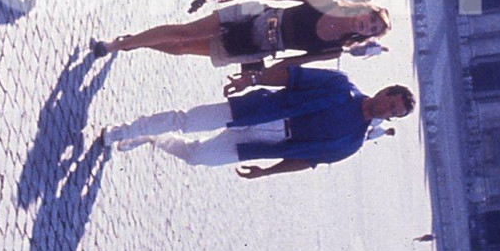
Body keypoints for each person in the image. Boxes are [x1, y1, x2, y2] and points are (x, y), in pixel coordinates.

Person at [100, 68, 416, 175]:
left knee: (198, 157)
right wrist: (251, 79)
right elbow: (292, 75)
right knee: (186, 120)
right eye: (391, 101)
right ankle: (122, 131)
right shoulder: (340, 84)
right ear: (385, 90)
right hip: (258, 110)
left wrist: (266, 171)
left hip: (262, 144)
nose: (386, 110)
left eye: (393, 113)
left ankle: (153, 139)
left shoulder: (353, 143)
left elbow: (306, 161)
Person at [91, 0, 390, 68]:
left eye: (371, 30)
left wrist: (255, 77)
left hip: (258, 46)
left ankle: (137, 42)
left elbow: (294, 62)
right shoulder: (325, 0)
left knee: (182, 48)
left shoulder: (334, 49)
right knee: (186, 31)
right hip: (254, 15)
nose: (367, 26)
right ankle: (116, 45)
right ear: (364, 9)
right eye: (371, 19)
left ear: (367, 37)